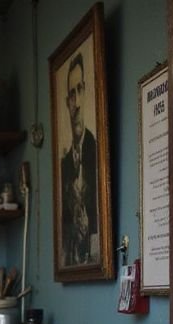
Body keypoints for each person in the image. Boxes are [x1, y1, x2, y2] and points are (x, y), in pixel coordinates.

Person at [60, 52, 98, 267]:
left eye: (79, 90)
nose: (76, 101)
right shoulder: (65, 165)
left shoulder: (95, 152)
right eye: (71, 95)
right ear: (67, 103)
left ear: (85, 92)